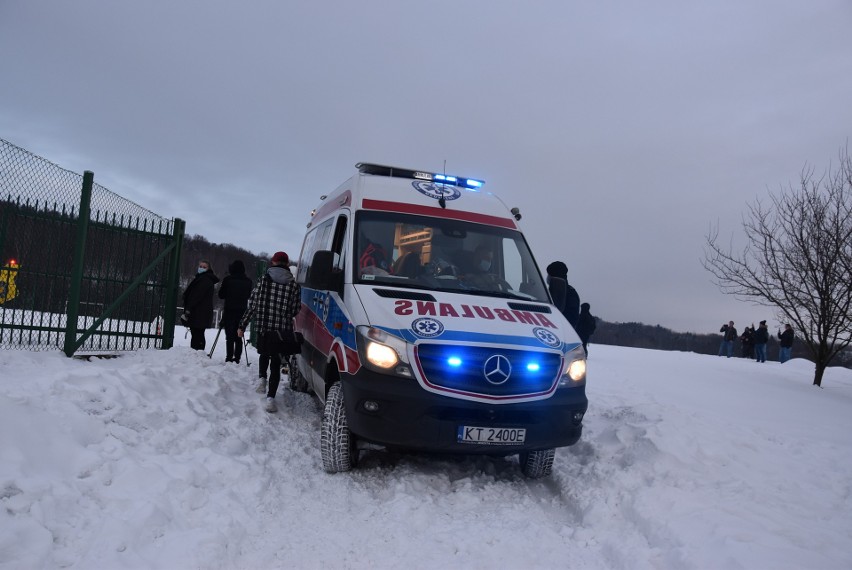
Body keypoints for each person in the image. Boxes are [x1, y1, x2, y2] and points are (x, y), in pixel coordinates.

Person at [237, 251, 301, 413]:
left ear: (273, 262)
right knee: (277, 362)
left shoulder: (263, 281)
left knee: (264, 354)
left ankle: (262, 380)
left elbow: (253, 305)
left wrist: (242, 325)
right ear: (287, 264)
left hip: (264, 328)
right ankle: (271, 399)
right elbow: (295, 310)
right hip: (281, 331)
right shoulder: (294, 285)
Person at [218, 259, 253, 364]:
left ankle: (229, 357)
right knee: (239, 334)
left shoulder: (228, 280)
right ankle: (237, 358)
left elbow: (221, 295)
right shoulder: (248, 281)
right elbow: (248, 296)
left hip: (229, 310)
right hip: (242, 311)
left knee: (229, 335)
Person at [182, 259, 219, 351]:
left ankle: (197, 352)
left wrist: (189, 308)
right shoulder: (203, 278)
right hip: (201, 311)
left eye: (204, 267)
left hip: (199, 311)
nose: (201, 268)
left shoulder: (204, 280)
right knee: (197, 333)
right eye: (200, 266)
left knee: (197, 334)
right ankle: (197, 352)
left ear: (208, 269)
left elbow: (196, 296)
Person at [546, 261, 580, 329]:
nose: (547, 277)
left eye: (549, 275)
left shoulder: (570, 294)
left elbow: (571, 319)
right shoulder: (551, 291)